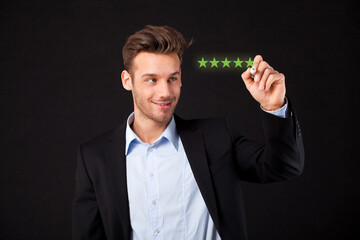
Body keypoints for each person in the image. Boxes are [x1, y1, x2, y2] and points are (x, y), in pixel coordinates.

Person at [72, 25, 304, 240]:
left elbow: (284, 167)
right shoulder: (95, 157)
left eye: (172, 78)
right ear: (127, 80)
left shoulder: (216, 137)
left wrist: (274, 106)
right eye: (151, 80)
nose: (165, 92)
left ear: (180, 78)